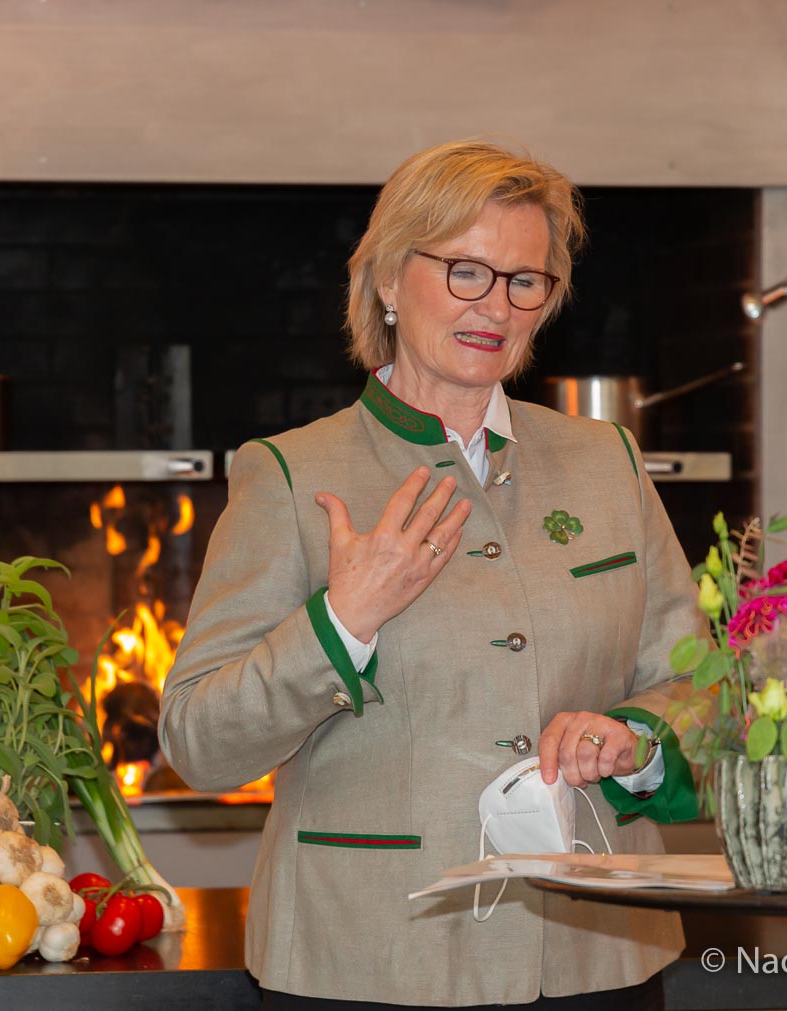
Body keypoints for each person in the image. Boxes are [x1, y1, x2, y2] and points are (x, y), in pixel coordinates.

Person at [159, 139, 707, 1009]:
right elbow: (198, 741)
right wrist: (343, 620)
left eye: (525, 281)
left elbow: (698, 686)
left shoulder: (609, 460)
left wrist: (636, 742)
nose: (496, 305)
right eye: (465, 271)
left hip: (598, 954)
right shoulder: (290, 474)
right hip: (370, 961)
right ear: (387, 277)